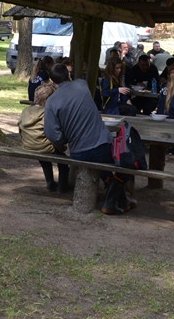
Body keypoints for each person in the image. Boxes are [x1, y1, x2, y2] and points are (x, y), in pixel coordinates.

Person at [43, 64, 132, 215]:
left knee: (104, 166)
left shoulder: (52, 102)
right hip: (103, 145)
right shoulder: (82, 85)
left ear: (51, 80)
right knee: (130, 162)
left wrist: (64, 139)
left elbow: (52, 134)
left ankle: (120, 201)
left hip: (78, 151)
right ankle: (111, 201)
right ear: (68, 75)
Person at [18, 82, 70, 193]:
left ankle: (50, 182)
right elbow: (53, 134)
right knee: (64, 163)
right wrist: (62, 146)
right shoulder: (47, 112)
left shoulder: (26, 110)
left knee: (44, 161)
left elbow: (20, 128)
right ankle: (62, 187)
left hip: (29, 145)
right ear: (48, 100)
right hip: (46, 147)